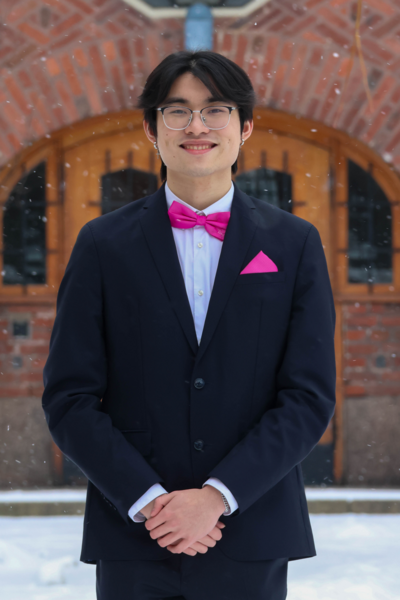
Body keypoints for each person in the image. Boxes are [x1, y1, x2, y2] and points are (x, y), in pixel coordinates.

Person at [42, 50, 336, 600]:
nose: (197, 126)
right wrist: (150, 501)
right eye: (177, 111)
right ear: (151, 129)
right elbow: (69, 397)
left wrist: (217, 496)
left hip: (251, 529)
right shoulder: (102, 245)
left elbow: (308, 396)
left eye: (215, 109)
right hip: (133, 532)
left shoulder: (294, 243)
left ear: (245, 127)